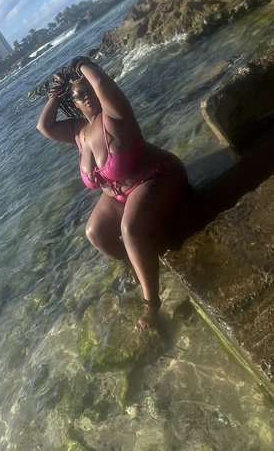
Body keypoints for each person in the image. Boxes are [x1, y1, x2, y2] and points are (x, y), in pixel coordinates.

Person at [36, 56, 189, 329]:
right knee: (94, 233)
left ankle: (152, 302)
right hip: (119, 193)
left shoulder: (115, 114)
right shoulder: (78, 131)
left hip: (156, 176)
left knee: (130, 230)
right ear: (74, 103)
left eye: (90, 90)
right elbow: (44, 127)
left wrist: (79, 65)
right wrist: (56, 93)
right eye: (80, 95)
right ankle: (135, 261)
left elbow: (101, 82)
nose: (87, 96)